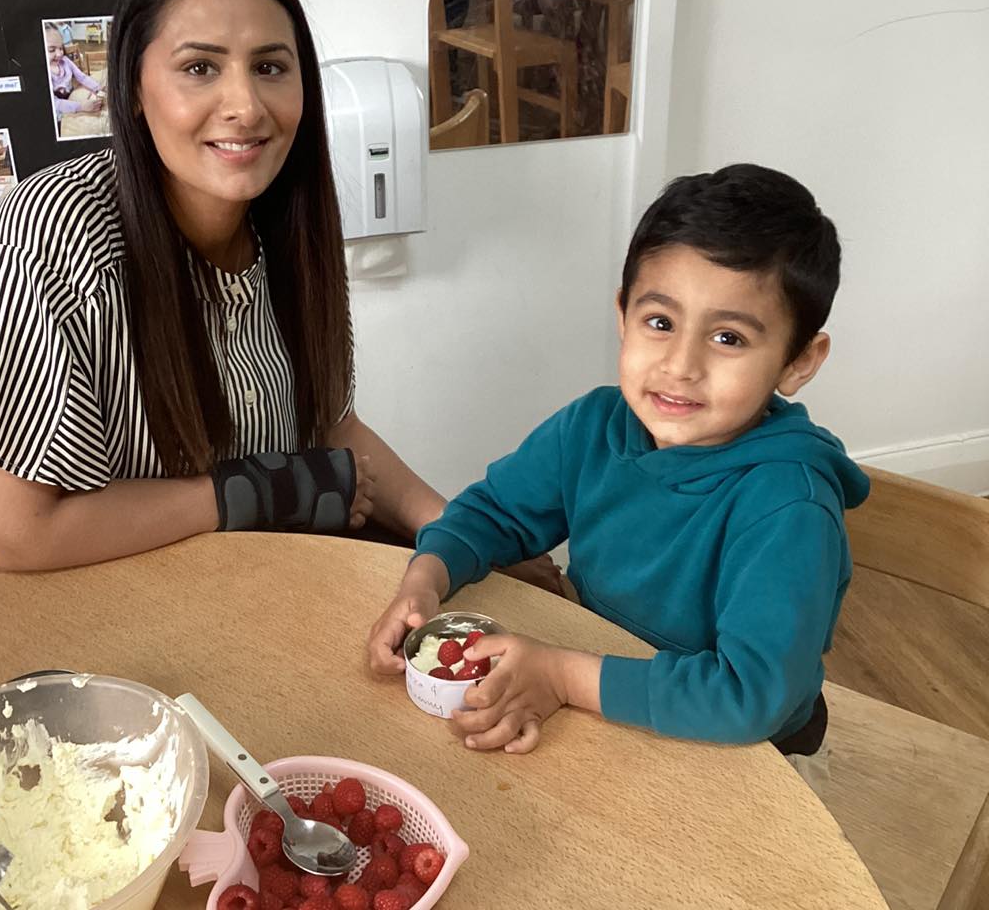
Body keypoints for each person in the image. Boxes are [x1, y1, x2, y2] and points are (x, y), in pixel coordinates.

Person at [0, 0, 445, 570]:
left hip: (240, 592)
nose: (246, 105)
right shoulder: (50, 233)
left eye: (270, 67)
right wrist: (254, 493)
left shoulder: (285, 225)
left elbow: (329, 424)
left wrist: (460, 532)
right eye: (199, 68)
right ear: (131, 88)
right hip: (73, 621)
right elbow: (22, 532)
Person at [369, 165, 869, 772]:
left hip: (746, 755)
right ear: (622, 314)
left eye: (729, 338)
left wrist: (559, 673)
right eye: (660, 323)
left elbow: (747, 700)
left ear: (798, 361)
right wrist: (424, 582)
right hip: (598, 688)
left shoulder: (790, 508)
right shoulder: (594, 425)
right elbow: (493, 513)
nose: (681, 365)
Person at [44, 22, 105, 119]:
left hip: (73, 103)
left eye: (61, 48)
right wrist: (80, 106)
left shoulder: (66, 61)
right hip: (59, 115)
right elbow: (54, 102)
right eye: (51, 50)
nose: (59, 54)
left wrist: (97, 88)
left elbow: (82, 77)